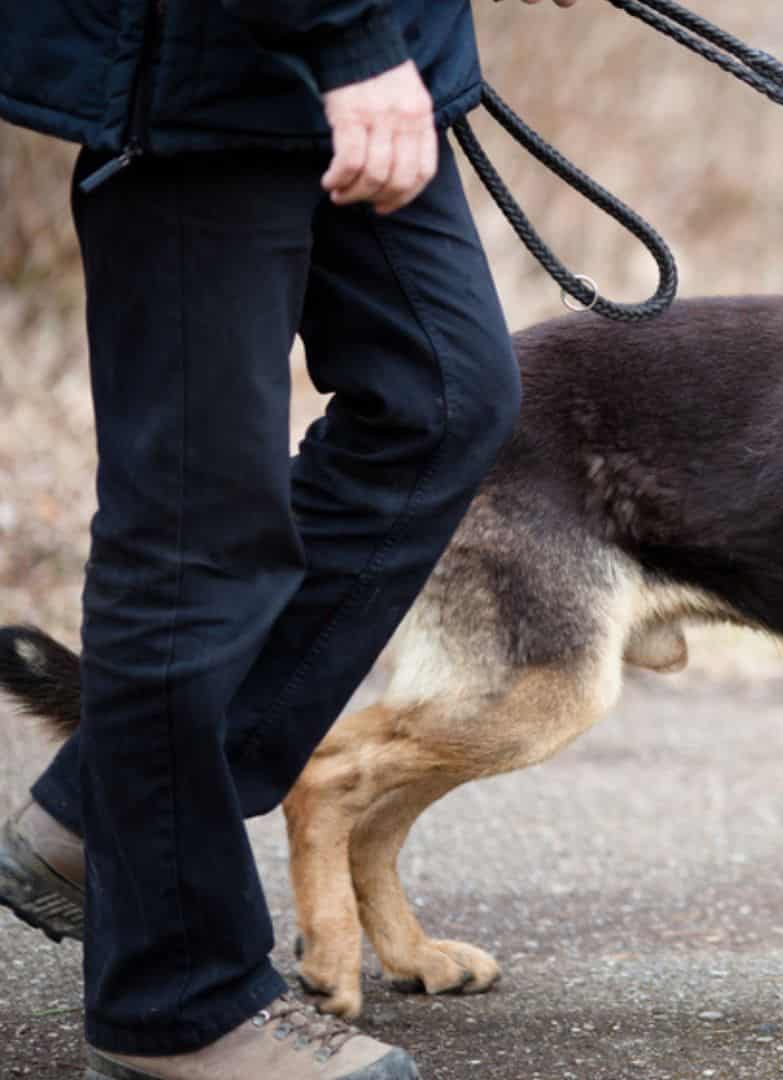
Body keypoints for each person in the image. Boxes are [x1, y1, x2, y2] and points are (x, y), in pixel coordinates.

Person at [0, 2, 576, 1077]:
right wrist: (350, 41)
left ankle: (103, 817)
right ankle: (173, 1008)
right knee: (196, 524)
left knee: (439, 403)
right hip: (206, 65)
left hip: (360, 49)